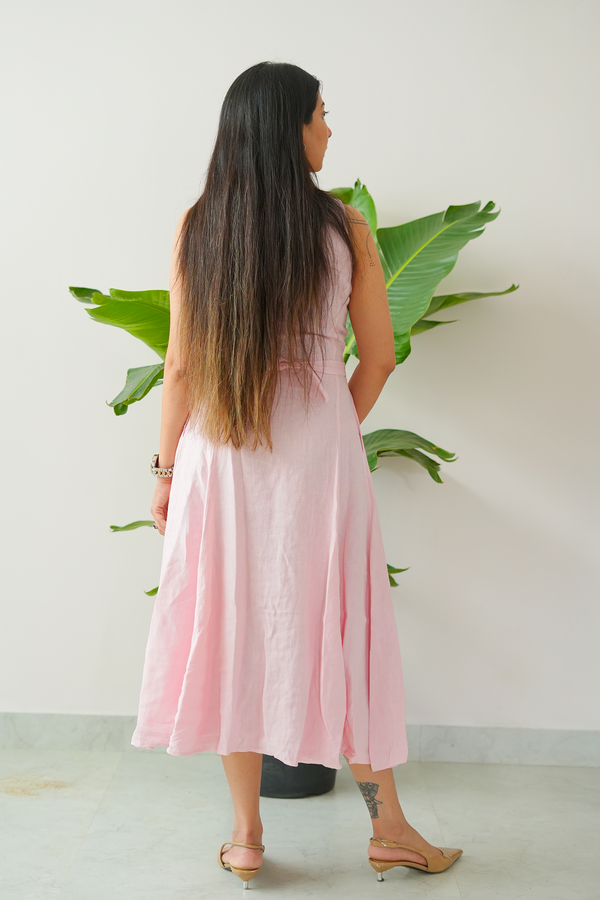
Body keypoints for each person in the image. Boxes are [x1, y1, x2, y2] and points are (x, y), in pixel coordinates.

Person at [131, 60, 462, 888]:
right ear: (288, 126)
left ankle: (245, 836)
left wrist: (168, 471)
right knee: (343, 625)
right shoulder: (345, 228)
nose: (328, 127)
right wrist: (329, 436)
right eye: (320, 113)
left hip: (220, 458)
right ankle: (389, 829)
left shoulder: (198, 226)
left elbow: (180, 367)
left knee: (234, 629)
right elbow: (380, 357)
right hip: (321, 461)